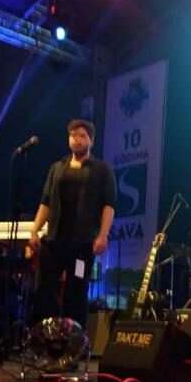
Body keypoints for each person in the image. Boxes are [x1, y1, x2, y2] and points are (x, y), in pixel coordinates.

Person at [29, 119, 115, 330]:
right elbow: (46, 202)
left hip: (82, 244)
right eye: (73, 135)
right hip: (55, 239)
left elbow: (108, 205)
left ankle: (73, 341)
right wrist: (34, 231)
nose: (77, 139)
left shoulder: (101, 170)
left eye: (82, 136)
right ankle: (44, 336)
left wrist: (103, 235)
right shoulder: (57, 168)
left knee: (76, 292)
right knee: (43, 289)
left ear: (91, 141)